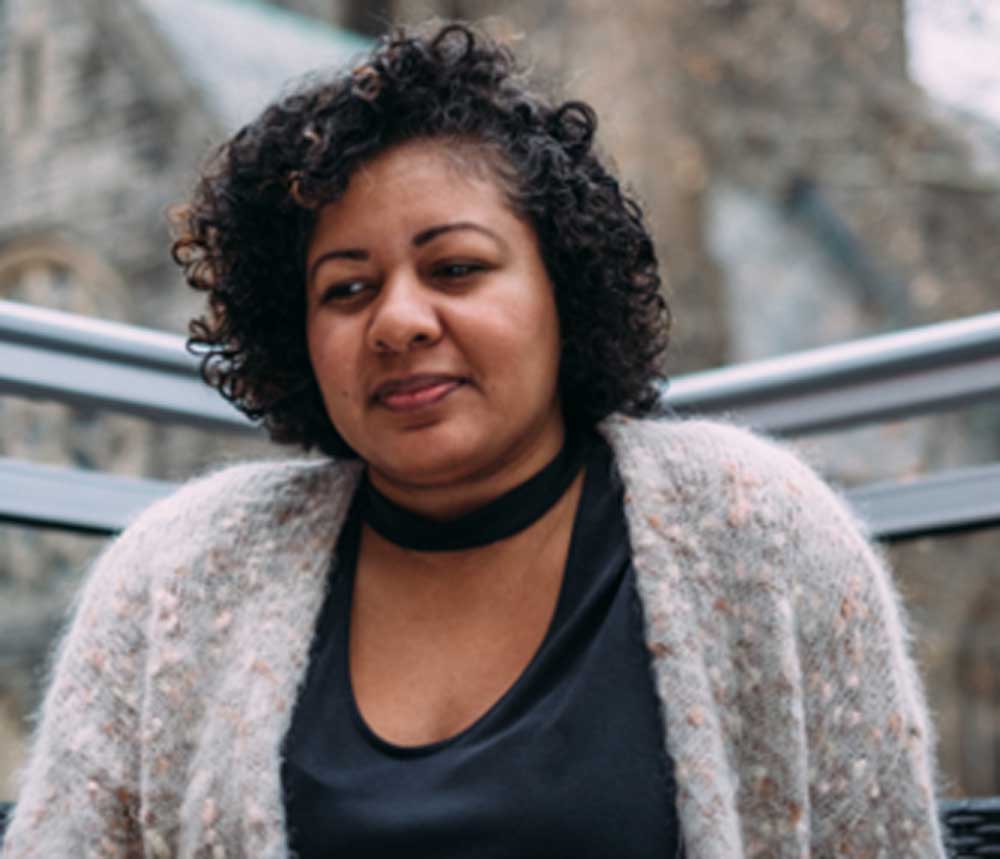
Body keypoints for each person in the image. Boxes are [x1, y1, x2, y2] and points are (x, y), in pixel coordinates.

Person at [2, 21, 945, 859]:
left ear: (561, 288)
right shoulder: (177, 577)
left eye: (455, 267)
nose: (398, 321)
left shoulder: (757, 534)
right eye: (347, 288)